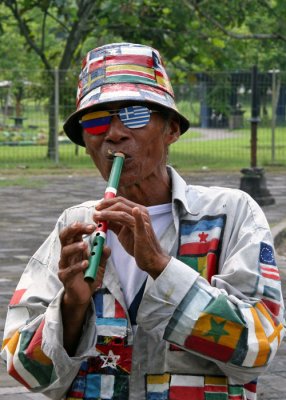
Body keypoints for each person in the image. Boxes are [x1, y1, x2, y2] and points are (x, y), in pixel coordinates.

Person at [1, 42, 285, 400]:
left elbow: (259, 348)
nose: (114, 133)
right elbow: (26, 370)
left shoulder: (230, 215)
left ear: (171, 130)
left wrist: (161, 268)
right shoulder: (74, 226)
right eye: (97, 120)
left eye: (135, 114)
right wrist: (72, 306)